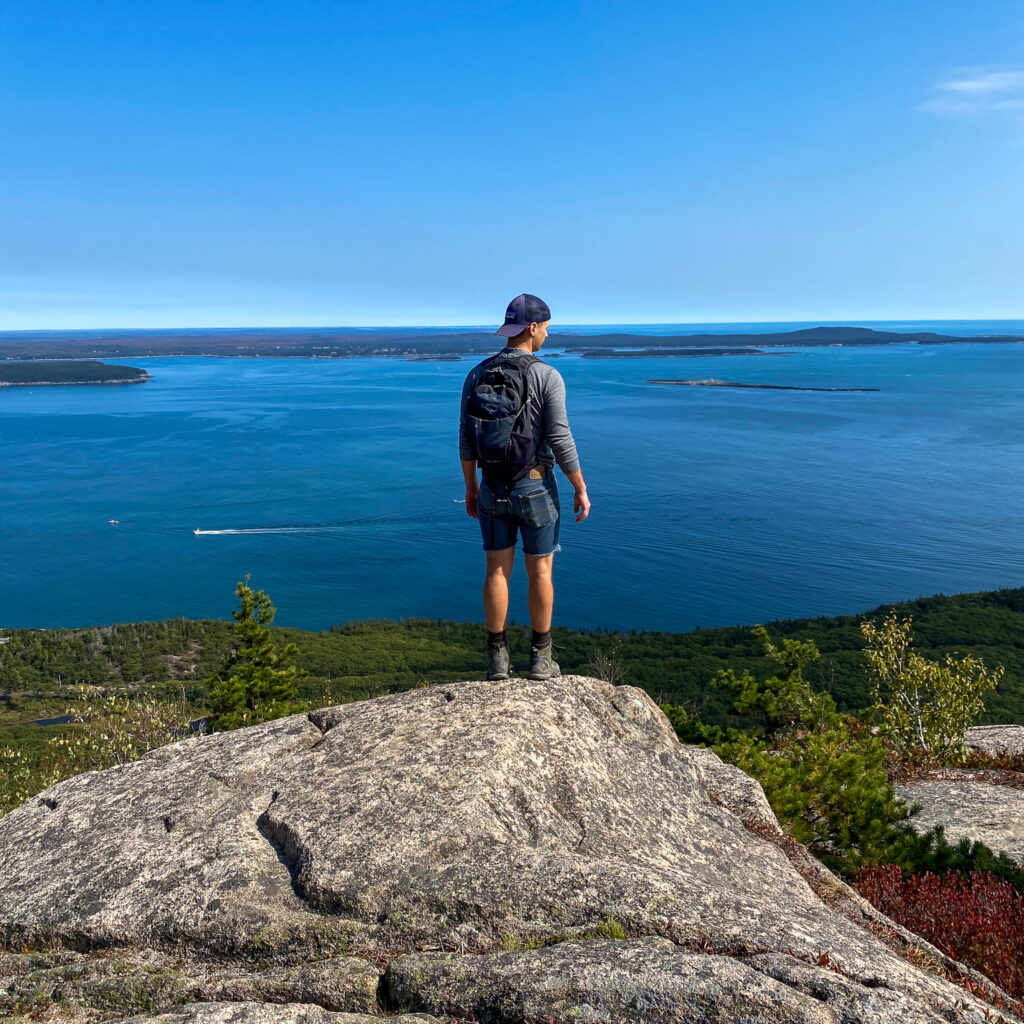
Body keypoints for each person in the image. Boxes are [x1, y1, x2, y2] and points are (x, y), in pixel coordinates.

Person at [459, 293, 590, 681]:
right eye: (546, 329)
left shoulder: (476, 375)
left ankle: (498, 660)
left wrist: (471, 488)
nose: (547, 336)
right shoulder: (546, 375)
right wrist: (580, 487)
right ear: (532, 328)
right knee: (541, 572)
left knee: (496, 572)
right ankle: (540, 659)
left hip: (491, 488)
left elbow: (466, 440)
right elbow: (561, 439)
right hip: (535, 488)